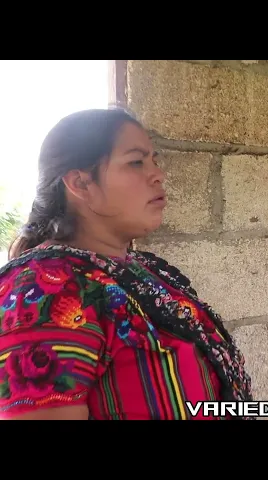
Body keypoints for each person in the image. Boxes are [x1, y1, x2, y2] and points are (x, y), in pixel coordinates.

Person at [0, 108, 253, 420]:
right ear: (80, 183)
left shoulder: (139, 270)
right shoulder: (44, 291)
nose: (158, 174)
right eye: (136, 162)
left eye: (154, 160)